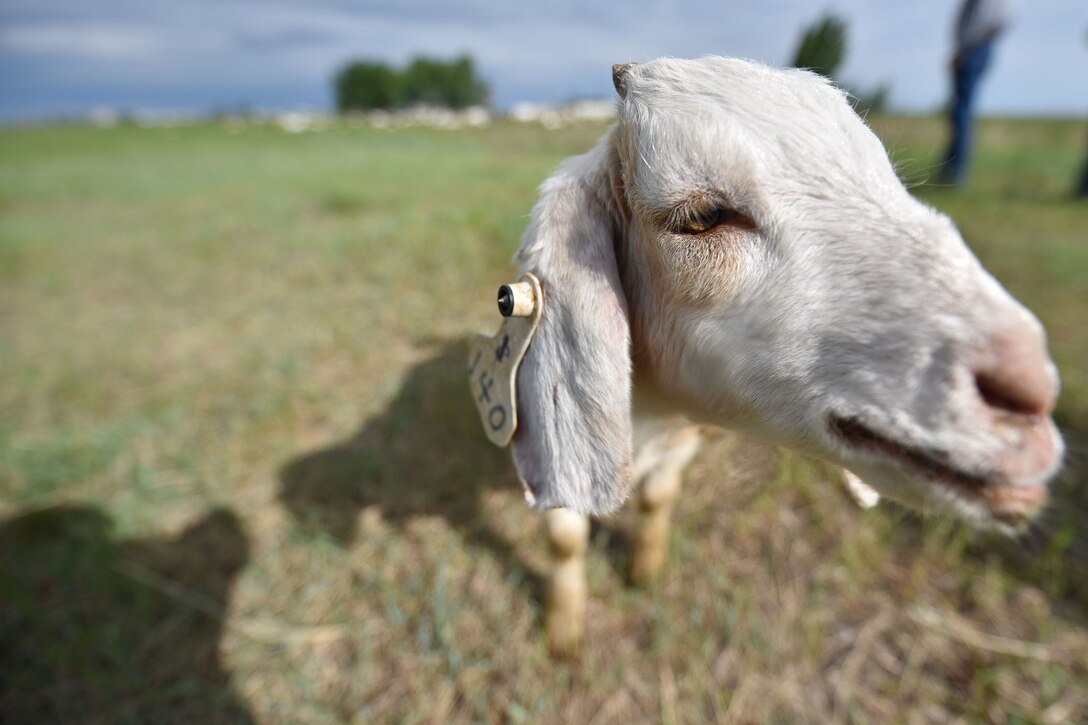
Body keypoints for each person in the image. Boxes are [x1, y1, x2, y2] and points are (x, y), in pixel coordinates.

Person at [939, 0, 1010, 185]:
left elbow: (981, 20)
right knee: (962, 113)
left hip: (973, 49)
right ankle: (952, 170)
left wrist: (963, 51)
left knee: (961, 113)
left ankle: (955, 174)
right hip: (978, 48)